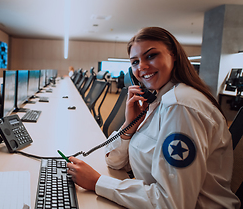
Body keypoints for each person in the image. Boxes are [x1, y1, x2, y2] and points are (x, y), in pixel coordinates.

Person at [67, 27, 241, 208]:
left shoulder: (180, 107)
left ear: (173, 55)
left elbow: (172, 203)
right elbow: (115, 162)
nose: (141, 66)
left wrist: (97, 182)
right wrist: (129, 125)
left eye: (150, 56)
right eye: (134, 62)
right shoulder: (159, 101)